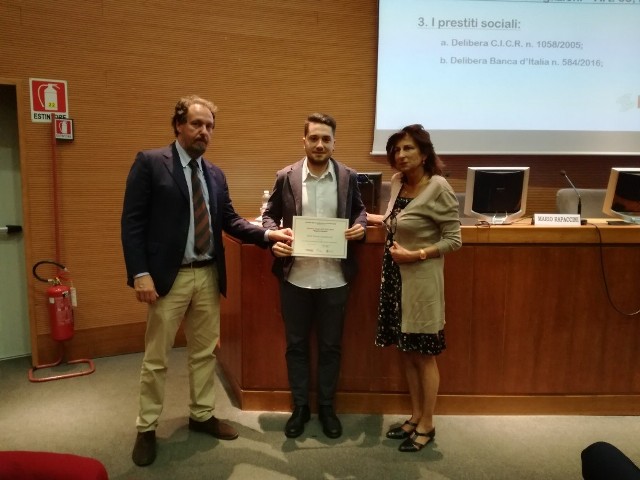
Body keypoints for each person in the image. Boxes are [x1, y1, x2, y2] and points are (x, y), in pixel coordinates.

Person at [121, 95, 293, 467]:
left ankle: (201, 415)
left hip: (208, 274)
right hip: (168, 279)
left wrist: (268, 235)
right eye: (197, 124)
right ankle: (146, 427)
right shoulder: (150, 163)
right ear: (178, 125)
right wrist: (140, 273)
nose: (204, 132)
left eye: (210, 126)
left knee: (203, 353)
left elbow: (230, 221)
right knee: (156, 358)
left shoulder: (214, 174)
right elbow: (132, 222)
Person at [262, 113, 367, 439]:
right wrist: (275, 237)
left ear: (334, 142)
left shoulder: (348, 176)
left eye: (326, 139)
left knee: (331, 346)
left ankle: (326, 407)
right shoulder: (286, 176)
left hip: (335, 277)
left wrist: (360, 227)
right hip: (295, 277)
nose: (320, 144)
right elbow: (269, 215)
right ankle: (300, 408)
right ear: (304, 141)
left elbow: (360, 211)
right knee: (296, 345)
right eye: (314, 138)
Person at [368, 124, 461, 453]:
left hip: (421, 281)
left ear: (424, 154)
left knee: (424, 356)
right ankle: (415, 416)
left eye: (408, 148)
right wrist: (361, 218)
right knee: (406, 353)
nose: (401, 154)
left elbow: (454, 240)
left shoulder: (438, 187)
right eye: (396, 149)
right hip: (395, 279)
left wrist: (416, 254)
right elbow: (394, 220)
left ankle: (428, 424)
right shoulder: (397, 182)